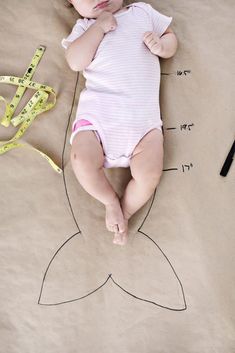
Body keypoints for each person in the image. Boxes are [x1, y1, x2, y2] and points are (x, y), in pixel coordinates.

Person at [61, 0, 178, 246]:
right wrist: (98, 28)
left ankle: (125, 210)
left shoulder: (142, 12)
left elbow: (170, 37)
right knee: (81, 160)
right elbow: (75, 61)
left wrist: (163, 47)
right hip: (98, 122)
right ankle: (109, 200)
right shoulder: (84, 28)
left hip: (143, 127)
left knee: (149, 174)